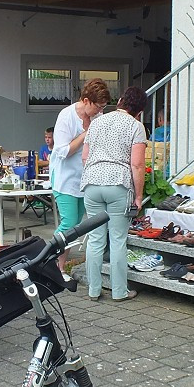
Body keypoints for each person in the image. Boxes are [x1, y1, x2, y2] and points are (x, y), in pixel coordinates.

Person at [81, 85, 148, 302]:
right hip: (118, 183)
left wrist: (93, 174)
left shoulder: (97, 122)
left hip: (92, 182)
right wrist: (138, 197)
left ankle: (93, 289)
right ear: (139, 111)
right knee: (118, 239)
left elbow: (85, 157)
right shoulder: (136, 126)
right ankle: (119, 292)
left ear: (119, 101)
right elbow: (137, 165)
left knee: (95, 239)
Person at [49, 78, 112, 265]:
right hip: (65, 178)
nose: (100, 111)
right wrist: (86, 133)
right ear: (86, 101)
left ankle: (60, 267)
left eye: (103, 107)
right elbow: (63, 151)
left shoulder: (98, 118)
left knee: (76, 225)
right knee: (68, 223)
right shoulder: (66, 116)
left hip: (85, 180)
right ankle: (50, 261)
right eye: (98, 107)